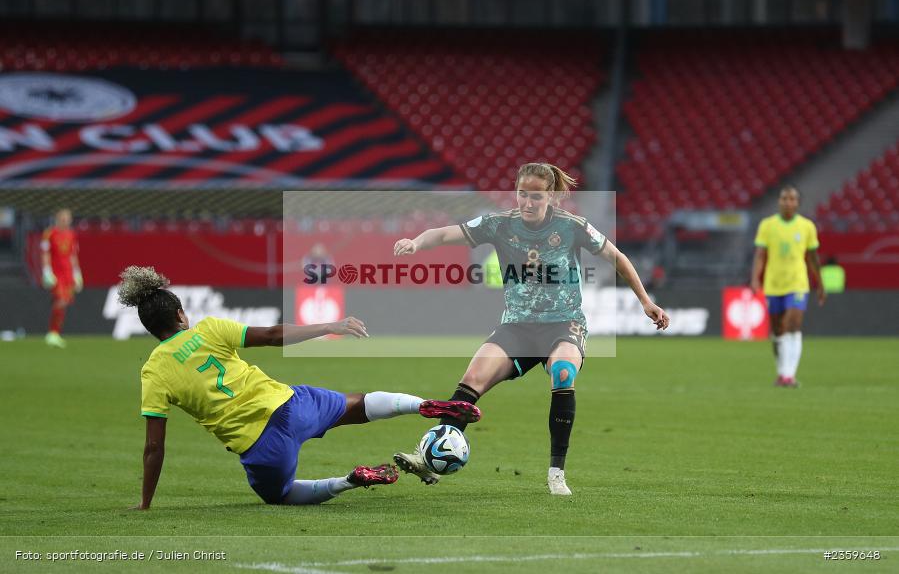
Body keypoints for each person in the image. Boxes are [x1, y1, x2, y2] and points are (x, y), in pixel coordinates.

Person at [391, 163, 670, 495]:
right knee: (472, 380)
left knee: (563, 373)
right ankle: (428, 458)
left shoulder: (572, 226)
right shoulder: (499, 225)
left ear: (550, 196)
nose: (527, 202)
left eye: (536, 196)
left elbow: (617, 256)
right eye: (522, 194)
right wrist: (416, 242)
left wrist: (645, 301)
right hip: (517, 328)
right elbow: (442, 233)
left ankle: (556, 473)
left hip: (564, 325)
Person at [117, 266, 481, 509]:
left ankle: (351, 480)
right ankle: (422, 406)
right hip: (291, 404)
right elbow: (275, 335)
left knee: (280, 495)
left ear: (152, 329)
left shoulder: (154, 372)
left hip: (261, 447)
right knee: (357, 404)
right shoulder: (208, 329)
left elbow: (154, 446)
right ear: (181, 315)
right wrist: (329, 326)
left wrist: (146, 502)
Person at [751, 185, 826, 388]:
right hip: (774, 284)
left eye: (792, 199)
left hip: (798, 283)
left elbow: (812, 257)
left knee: (793, 324)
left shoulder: (807, 226)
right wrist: (755, 278)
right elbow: (760, 254)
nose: (788, 202)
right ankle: (781, 371)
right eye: (784, 198)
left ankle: (788, 375)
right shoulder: (767, 225)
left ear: (798, 203)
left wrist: (820, 282)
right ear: (779, 201)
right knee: (778, 331)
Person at [41, 208, 82, 348]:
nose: (65, 219)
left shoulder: (72, 235)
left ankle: (55, 333)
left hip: (68, 273)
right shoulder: (49, 233)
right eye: (62, 217)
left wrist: (77, 273)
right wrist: (47, 271)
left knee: (64, 302)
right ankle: (52, 333)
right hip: (56, 273)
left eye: (67, 217)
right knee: (61, 300)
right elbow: (45, 253)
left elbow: (73, 255)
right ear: (57, 218)